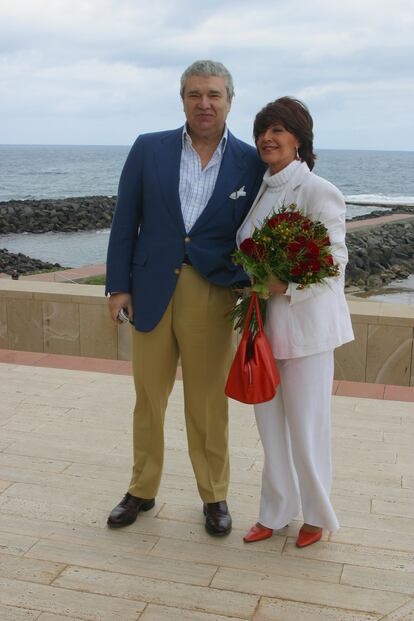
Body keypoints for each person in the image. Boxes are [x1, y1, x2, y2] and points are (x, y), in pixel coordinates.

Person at [105, 60, 264, 536]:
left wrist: (248, 283)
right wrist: (118, 286)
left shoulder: (249, 162)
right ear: (183, 100)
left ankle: (214, 495)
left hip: (212, 293)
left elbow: (259, 229)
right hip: (151, 289)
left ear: (230, 101)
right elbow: (124, 220)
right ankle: (141, 490)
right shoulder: (147, 148)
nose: (204, 104)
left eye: (214, 95)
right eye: (195, 94)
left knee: (208, 402)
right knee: (148, 398)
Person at [237, 97, 354, 547]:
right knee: (269, 429)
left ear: (299, 139)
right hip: (262, 329)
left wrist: (286, 286)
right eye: (263, 130)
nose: (268, 138)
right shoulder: (262, 189)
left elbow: (335, 259)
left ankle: (316, 514)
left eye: (278, 130)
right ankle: (274, 511)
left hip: (305, 330)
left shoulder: (318, 190)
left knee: (306, 429)